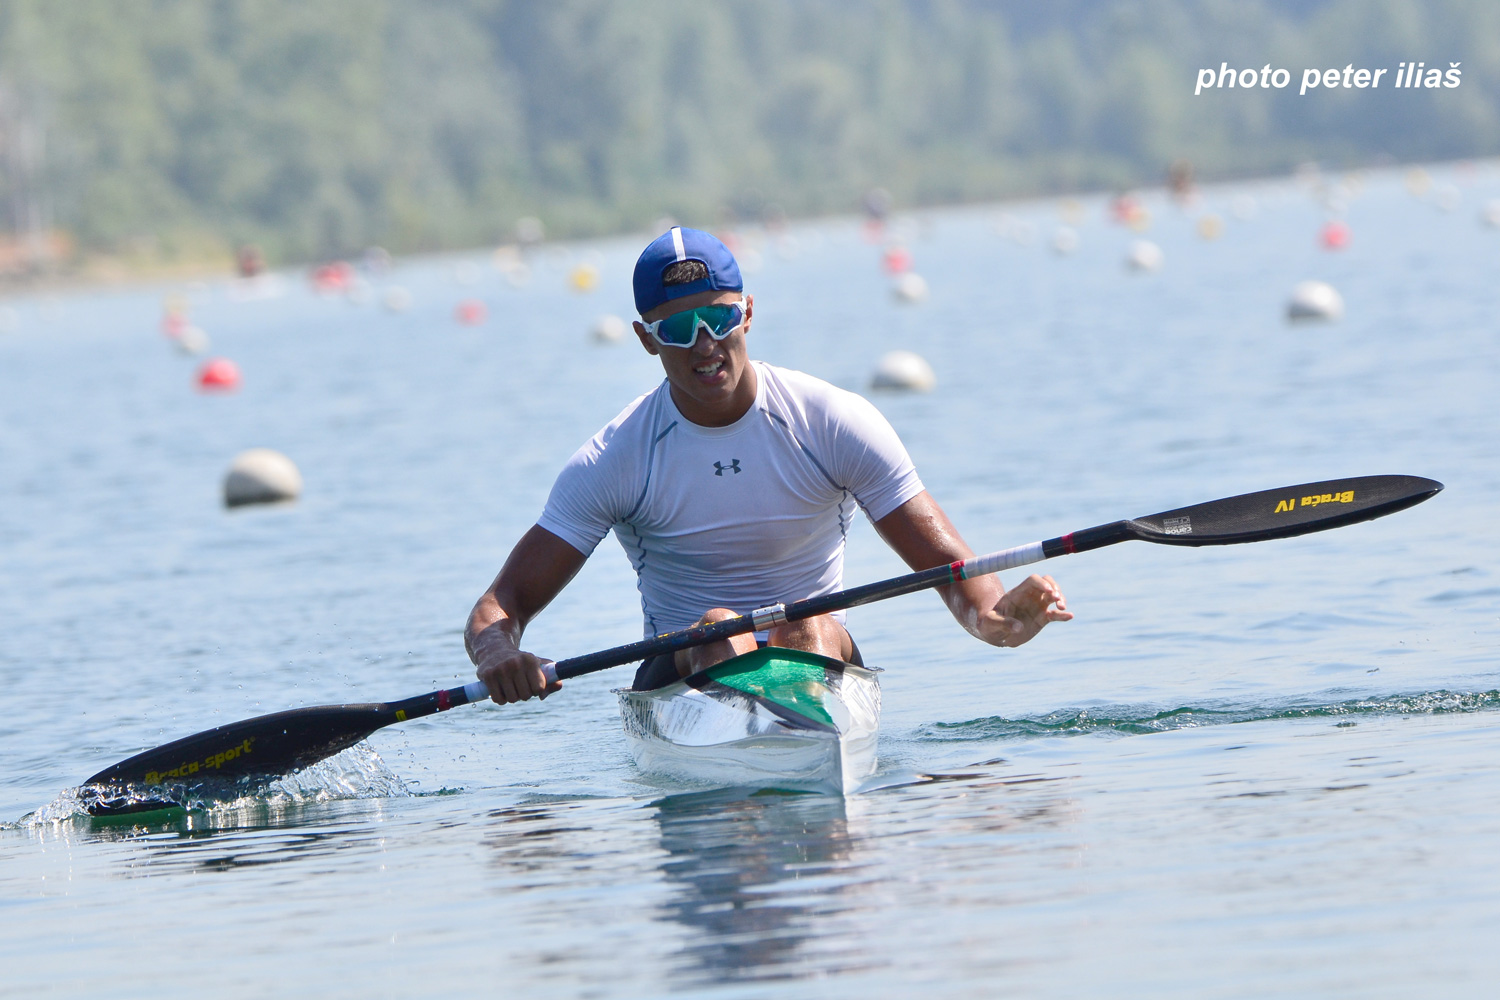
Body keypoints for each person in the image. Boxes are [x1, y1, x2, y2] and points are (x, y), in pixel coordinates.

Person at [467, 227, 1070, 705]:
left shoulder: (832, 423)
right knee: (719, 626)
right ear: (646, 339)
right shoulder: (617, 458)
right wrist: (499, 657)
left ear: (748, 313)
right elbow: (501, 605)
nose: (705, 343)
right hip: (681, 676)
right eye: (679, 328)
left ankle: (789, 731)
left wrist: (998, 621)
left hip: (820, 657)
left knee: (812, 627)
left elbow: (951, 571)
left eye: (720, 318)